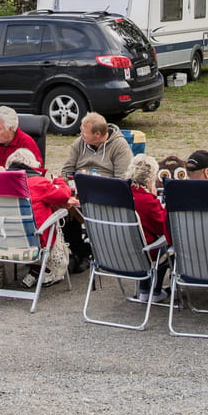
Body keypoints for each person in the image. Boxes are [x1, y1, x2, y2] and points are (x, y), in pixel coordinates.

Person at [60, 112, 134, 272]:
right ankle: (78, 251)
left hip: (106, 196)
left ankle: (85, 253)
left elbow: (122, 181)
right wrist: (70, 183)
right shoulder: (79, 143)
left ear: (98, 134)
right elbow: (66, 171)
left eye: (84, 132)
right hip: (79, 193)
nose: (81, 134)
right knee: (63, 208)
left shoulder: (119, 146)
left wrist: (98, 186)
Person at [0, 148, 72, 287]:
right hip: (35, 240)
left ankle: (36, 270)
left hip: (3, 237)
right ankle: (46, 269)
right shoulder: (38, 183)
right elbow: (63, 195)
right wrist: (60, 181)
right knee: (54, 217)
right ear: (32, 165)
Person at [125, 153, 168, 303]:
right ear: (151, 178)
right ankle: (154, 291)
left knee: (144, 241)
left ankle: (144, 289)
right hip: (143, 252)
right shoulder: (147, 201)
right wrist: (155, 199)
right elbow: (163, 227)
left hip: (119, 251)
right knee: (167, 243)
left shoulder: (121, 195)